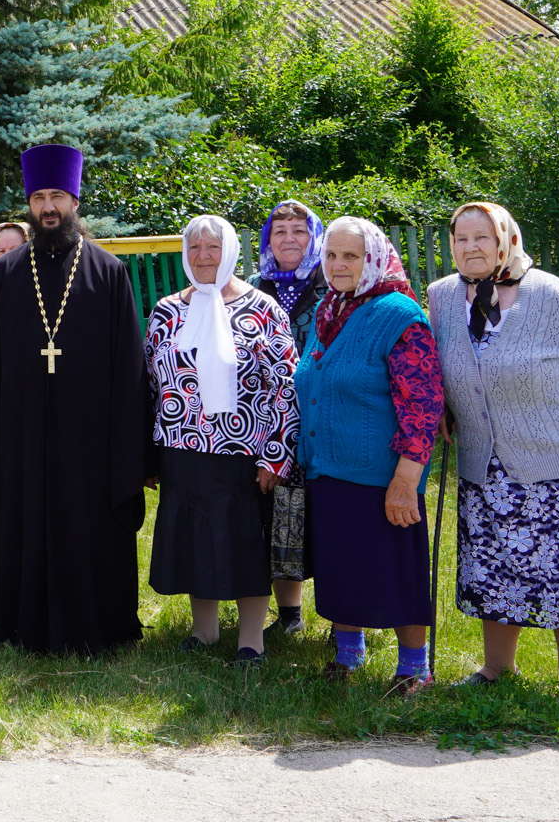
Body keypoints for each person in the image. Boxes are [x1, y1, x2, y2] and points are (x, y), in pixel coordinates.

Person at [432, 201, 559, 709]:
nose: (471, 248)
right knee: (492, 567)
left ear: (506, 240)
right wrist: (446, 407)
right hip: (485, 464)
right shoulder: (442, 297)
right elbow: (443, 367)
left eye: (482, 237)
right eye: (461, 239)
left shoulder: (554, 297)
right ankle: (496, 668)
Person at [0, 144, 153, 655]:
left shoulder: (108, 271)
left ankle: (100, 625)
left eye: (58, 197)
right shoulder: (6, 273)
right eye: (39, 198)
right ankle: (24, 623)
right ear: (29, 204)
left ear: (74, 201)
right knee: (24, 525)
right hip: (23, 435)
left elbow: (129, 367)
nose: (48, 208)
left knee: (89, 525)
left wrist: (130, 452)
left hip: (89, 440)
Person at [294, 217, 442, 696]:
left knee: (396, 570)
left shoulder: (400, 315)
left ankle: (415, 668)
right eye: (331, 255)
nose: (338, 265)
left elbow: (423, 406)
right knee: (341, 566)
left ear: (373, 259)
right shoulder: (330, 309)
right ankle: (348, 654)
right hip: (328, 466)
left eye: (351, 256)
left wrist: (406, 480)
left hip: (381, 474)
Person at [144, 216, 299, 666]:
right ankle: (205, 631)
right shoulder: (167, 311)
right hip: (181, 450)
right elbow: (150, 385)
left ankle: (251, 641)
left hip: (244, 452)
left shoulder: (263, 309)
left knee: (246, 542)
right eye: (194, 247)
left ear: (229, 251)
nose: (203, 256)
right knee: (196, 539)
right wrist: (148, 455)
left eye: (213, 247)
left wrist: (275, 456)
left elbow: (286, 386)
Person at [255, 200, 328, 633]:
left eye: (299, 230)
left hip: (325, 417)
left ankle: (344, 619)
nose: (288, 239)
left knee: (330, 515)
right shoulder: (252, 287)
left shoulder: (333, 284)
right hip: (271, 423)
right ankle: (290, 615)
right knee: (281, 513)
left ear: (314, 237)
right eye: (278, 231)